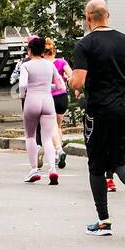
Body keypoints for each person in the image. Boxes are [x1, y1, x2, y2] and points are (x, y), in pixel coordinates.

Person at [70, 0, 125, 235]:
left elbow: (77, 81)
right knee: (121, 161)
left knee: (97, 166)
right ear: (108, 14)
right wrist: (121, 78)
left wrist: (71, 81)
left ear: (88, 18)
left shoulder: (85, 45)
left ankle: (104, 221)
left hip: (98, 113)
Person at [19, 36, 64, 185]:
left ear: (30, 50)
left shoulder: (26, 66)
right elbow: (60, 86)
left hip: (32, 100)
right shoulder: (49, 65)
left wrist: (22, 94)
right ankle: (52, 169)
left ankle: (34, 170)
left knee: (30, 136)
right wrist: (47, 86)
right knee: (47, 138)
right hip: (47, 101)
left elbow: (23, 84)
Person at [46, 38, 70, 168]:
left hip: (49, 97)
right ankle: (58, 150)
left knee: (51, 127)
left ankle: (58, 151)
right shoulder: (61, 62)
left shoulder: (43, 64)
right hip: (62, 97)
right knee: (58, 126)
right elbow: (70, 75)